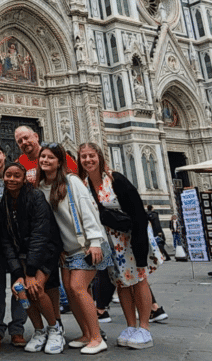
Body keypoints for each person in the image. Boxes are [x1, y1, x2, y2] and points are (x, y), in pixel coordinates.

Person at [78, 143, 163, 349]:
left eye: (91, 156)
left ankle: (144, 328)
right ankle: (130, 326)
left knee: (139, 280)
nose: (88, 160)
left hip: (132, 237)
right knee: (122, 283)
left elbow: (138, 213)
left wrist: (140, 247)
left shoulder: (116, 180)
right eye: (83, 157)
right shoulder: (85, 183)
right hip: (111, 242)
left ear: (100, 156)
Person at [37, 143, 112, 355]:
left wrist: (95, 241)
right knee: (71, 291)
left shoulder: (71, 181)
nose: (45, 161)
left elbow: (87, 210)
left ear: (60, 161)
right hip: (66, 249)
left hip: (87, 245)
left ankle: (97, 338)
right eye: (43, 157)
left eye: (51, 157)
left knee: (78, 288)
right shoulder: (42, 186)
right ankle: (87, 333)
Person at [0, 162, 64, 354]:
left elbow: (40, 235)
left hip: (44, 253)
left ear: (24, 178)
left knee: (35, 288)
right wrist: (17, 272)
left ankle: (55, 329)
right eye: (8, 175)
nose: (11, 179)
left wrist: (29, 271)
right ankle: (39, 330)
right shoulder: (4, 202)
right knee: (20, 291)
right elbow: (6, 241)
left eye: (16, 176)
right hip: (22, 256)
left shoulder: (35, 197)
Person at [0, 145, 27, 347]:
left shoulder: (17, 175)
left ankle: (18, 328)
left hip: (18, 240)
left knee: (20, 284)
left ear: (4, 155)